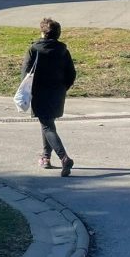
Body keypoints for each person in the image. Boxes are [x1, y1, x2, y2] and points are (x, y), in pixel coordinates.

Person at [21, 17, 77, 176]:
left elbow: (25, 73)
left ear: (43, 33)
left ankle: (64, 158)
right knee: (48, 123)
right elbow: (71, 73)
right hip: (58, 92)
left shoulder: (34, 49)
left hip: (39, 91)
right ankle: (46, 157)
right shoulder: (63, 50)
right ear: (58, 34)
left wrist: (26, 91)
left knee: (46, 125)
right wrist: (63, 87)